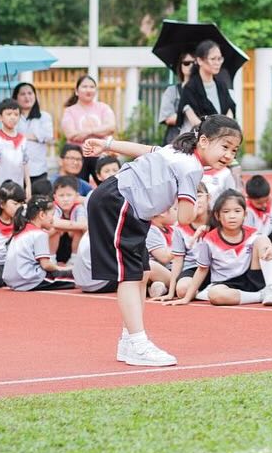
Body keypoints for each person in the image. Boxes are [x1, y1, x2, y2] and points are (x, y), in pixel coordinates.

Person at [82, 115, 241, 367]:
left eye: (234, 150)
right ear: (203, 141)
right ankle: (138, 342)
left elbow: (145, 150)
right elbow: (186, 217)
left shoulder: (178, 151)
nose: (229, 155)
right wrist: (201, 203)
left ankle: (129, 340)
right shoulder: (191, 168)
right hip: (119, 202)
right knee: (130, 276)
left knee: (142, 273)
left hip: (126, 203)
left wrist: (108, 144)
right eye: (225, 146)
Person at [171, 190, 272, 307]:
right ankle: (260, 296)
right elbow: (202, 270)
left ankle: (271, 290)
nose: (232, 216)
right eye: (226, 212)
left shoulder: (253, 234)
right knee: (216, 295)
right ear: (217, 215)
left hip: (251, 279)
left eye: (237, 211)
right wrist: (187, 298)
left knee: (263, 240)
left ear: (245, 214)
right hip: (225, 284)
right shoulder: (209, 240)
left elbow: (269, 252)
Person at [3, 196, 74, 292]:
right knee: (76, 276)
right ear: (42, 215)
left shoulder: (21, 231)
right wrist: (63, 269)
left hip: (13, 279)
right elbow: (46, 265)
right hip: (30, 279)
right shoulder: (39, 234)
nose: (53, 219)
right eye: (52, 215)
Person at [61, 77, 116, 183]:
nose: (88, 90)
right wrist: (100, 131)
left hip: (101, 154)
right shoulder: (69, 111)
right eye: (85, 86)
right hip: (79, 157)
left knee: (107, 186)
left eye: (92, 87)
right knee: (79, 186)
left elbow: (111, 128)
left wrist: (87, 132)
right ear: (76, 91)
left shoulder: (103, 108)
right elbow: (71, 134)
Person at [179, 40, 237, 129]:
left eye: (219, 59)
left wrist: (224, 129)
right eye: (213, 59)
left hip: (222, 134)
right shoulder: (190, 88)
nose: (217, 63)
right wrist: (214, 132)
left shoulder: (221, 85)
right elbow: (195, 122)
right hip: (198, 135)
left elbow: (230, 109)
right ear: (199, 60)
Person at [12, 82, 54, 196]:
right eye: (23, 94)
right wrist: (35, 137)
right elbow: (9, 137)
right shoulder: (12, 117)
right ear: (16, 98)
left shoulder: (44, 116)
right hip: (17, 170)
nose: (27, 97)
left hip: (38, 170)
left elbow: (48, 136)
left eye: (30, 93)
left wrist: (21, 136)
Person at [0, 99, 30, 196]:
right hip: (1, 190)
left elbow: (25, 164)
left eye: (16, 114)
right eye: (9, 114)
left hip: (18, 189)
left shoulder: (23, 139)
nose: (13, 117)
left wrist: (28, 187)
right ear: (0, 117)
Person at [49, 175, 87, 264]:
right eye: (61, 195)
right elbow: (54, 222)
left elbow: (82, 223)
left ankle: (74, 259)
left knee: (79, 231)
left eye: (69, 195)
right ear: (55, 197)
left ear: (76, 196)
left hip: (73, 242)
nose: (65, 199)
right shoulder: (53, 207)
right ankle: (51, 258)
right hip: (56, 243)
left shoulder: (79, 207)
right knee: (54, 229)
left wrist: (67, 227)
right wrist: (68, 227)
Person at [158, 53, 195, 144]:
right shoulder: (172, 91)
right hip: (177, 140)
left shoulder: (206, 91)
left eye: (194, 63)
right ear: (180, 66)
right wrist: (190, 113)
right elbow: (168, 118)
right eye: (186, 63)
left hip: (199, 140)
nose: (191, 66)